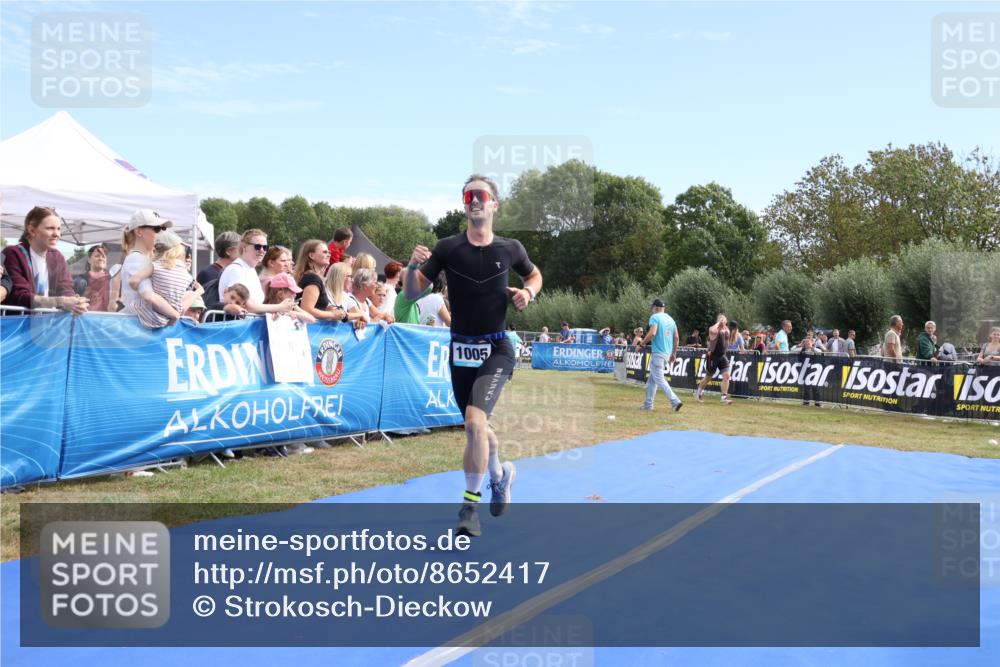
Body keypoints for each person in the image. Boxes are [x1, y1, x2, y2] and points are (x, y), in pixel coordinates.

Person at [405, 174, 542, 538]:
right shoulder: (448, 247)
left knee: (474, 422)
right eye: (468, 196)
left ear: (494, 204)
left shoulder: (510, 247)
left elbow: (536, 275)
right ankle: (501, 476)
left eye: (481, 195)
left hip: (497, 347)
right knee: (478, 428)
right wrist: (411, 267)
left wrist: (529, 293)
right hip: (461, 348)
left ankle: (469, 505)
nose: (474, 201)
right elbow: (412, 294)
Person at [1, 206, 88, 314]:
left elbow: (66, 288)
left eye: (58, 229)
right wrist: (60, 301)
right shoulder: (13, 253)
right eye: (50, 228)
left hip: (48, 327)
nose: (57, 234)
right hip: (18, 326)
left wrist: (75, 303)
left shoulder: (57, 257)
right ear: (32, 230)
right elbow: (20, 296)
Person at [127, 230, 202, 329]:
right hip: (167, 322)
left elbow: (133, 281)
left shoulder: (155, 266)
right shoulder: (186, 274)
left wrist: (135, 287)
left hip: (149, 318)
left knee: (126, 308)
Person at [218, 229, 295, 316]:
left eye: (265, 247)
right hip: (234, 325)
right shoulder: (236, 269)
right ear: (244, 247)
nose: (262, 250)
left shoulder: (250, 270)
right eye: (257, 246)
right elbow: (247, 306)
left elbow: (257, 306)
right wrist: (279, 307)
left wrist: (277, 312)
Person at [636, 298, 683, 413]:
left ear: (656, 307)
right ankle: (648, 405)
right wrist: (673, 353)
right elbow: (676, 338)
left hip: (658, 353)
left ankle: (675, 401)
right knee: (652, 380)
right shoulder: (671, 319)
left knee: (660, 379)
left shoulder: (655, 317)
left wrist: (641, 344)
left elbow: (653, 333)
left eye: (652, 307)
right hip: (667, 354)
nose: (652, 309)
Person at [294, 239, 348, 323]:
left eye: (329, 252)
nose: (329, 255)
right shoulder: (312, 278)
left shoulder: (308, 276)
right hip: (310, 330)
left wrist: (327, 308)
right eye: (325, 252)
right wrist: (332, 314)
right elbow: (307, 309)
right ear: (312, 255)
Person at [694, 314, 734, 405]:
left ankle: (723, 398)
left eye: (724, 319)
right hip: (713, 356)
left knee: (727, 376)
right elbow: (712, 330)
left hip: (722, 356)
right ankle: (698, 393)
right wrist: (718, 323)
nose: (722, 320)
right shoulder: (714, 329)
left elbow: (728, 339)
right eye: (720, 319)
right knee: (708, 377)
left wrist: (723, 323)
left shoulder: (727, 330)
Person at [325, 261, 366, 328]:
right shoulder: (324, 293)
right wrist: (360, 315)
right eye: (350, 276)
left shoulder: (344, 295)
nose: (352, 280)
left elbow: (360, 315)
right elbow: (339, 315)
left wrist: (359, 320)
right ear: (340, 276)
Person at [74, 244, 113, 312]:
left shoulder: (113, 280)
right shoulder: (80, 281)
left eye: (103, 256)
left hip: (108, 319)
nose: (101, 258)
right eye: (97, 256)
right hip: (86, 319)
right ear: (89, 260)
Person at [800, 333, 821, 407]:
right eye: (806, 342)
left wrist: (812, 347)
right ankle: (806, 401)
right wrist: (800, 345)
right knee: (806, 386)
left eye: (808, 342)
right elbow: (793, 350)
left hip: (814, 370)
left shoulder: (814, 349)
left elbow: (820, 352)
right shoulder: (802, 349)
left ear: (812, 343)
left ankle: (817, 402)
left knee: (815, 386)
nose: (807, 344)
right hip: (805, 370)